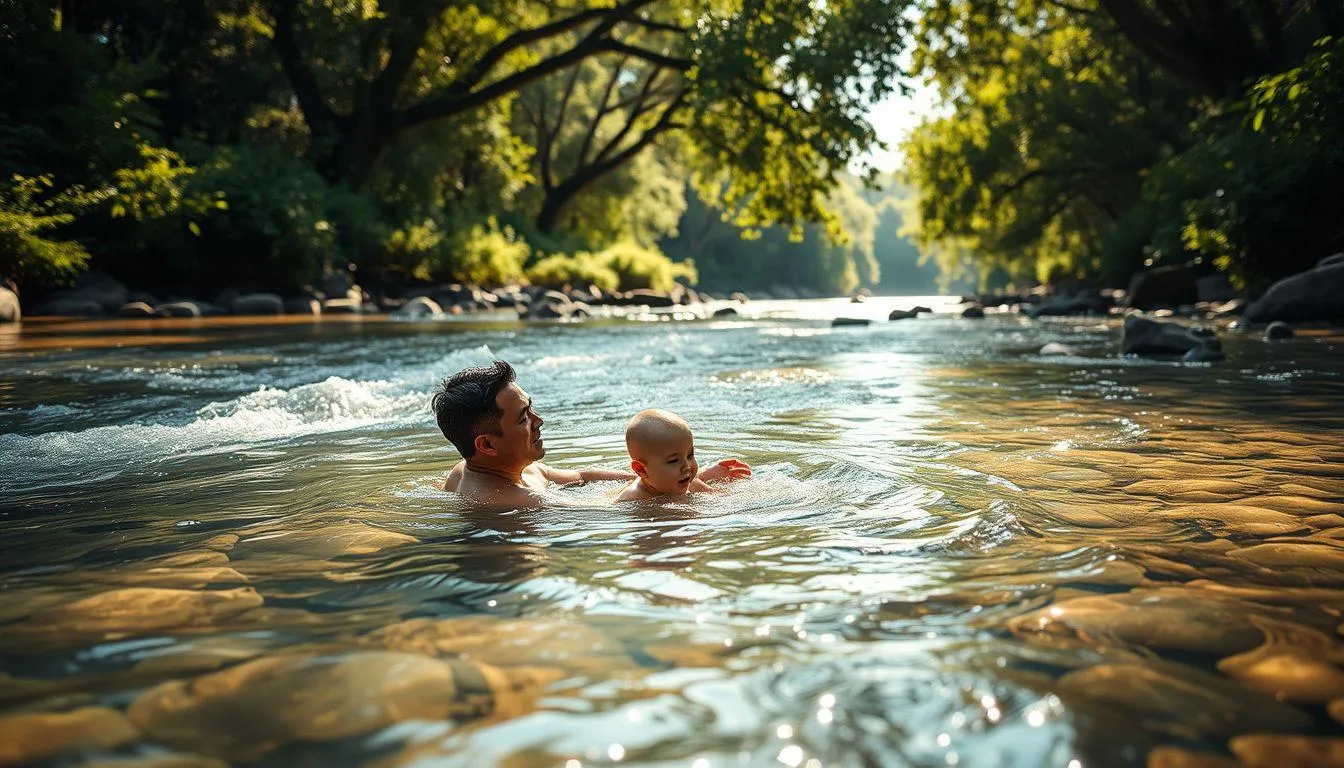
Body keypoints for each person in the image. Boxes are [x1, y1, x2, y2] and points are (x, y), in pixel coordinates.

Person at [432, 361, 746, 508]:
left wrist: (667, 470)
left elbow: (583, 475)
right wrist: (689, 480)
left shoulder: (485, 469)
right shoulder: (515, 502)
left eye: (532, 409)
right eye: (524, 418)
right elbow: (614, 510)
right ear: (486, 444)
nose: (539, 420)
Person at [613, 408, 751, 503]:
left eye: (690, 455)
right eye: (673, 461)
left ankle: (705, 473)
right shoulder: (631, 501)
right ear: (641, 470)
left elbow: (722, 500)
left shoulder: (689, 483)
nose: (687, 467)